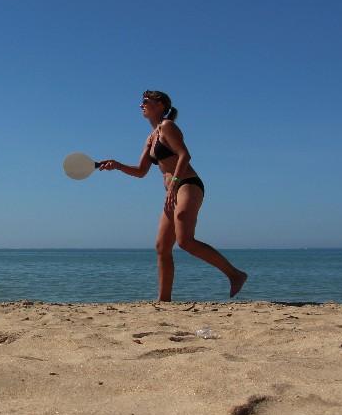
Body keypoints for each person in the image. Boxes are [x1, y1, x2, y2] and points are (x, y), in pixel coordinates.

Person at [98, 91, 246, 301]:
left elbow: (185, 155)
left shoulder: (167, 127)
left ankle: (235, 275)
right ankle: (164, 301)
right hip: (172, 191)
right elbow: (141, 171)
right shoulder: (151, 137)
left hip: (187, 184)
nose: (141, 105)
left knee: (185, 240)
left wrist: (174, 184)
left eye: (145, 102)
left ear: (160, 105)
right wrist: (117, 165)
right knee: (162, 246)